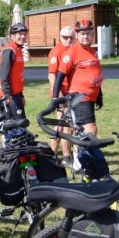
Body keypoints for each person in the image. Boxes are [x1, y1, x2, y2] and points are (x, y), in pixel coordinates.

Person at [53, 18, 104, 136]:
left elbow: (94, 72)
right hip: (80, 99)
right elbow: (59, 76)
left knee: (81, 132)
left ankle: (79, 154)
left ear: (92, 34)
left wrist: (99, 95)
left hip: (90, 98)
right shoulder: (72, 52)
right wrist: (55, 99)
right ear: (76, 35)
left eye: (88, 33)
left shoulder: (92, 51)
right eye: (82, 34)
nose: (85, 36)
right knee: (90, 131)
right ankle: (84, 154)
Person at [48, 26, 75, 162]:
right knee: (62, 126)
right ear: (60, 37)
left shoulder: (73, 50)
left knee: (68, 126)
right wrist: (58, 96)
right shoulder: (56, 52)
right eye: (65, 37)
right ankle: (58, 156)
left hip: (72, 94)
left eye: (71, 37)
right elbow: (52, 76)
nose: (68, 40)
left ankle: (65, 156)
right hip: (61, 95)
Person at [0, 22, 28, 115]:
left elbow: (17, 77)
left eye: (24, 34)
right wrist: (7, 95)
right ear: (12, 36)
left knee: (21, 125)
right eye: (20, 34)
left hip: (16, 94)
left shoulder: (18, 49)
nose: (23, 37)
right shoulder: (9, 50)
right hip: (9, 95)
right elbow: (4, 75)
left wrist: (21, 95)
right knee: (16, 126)